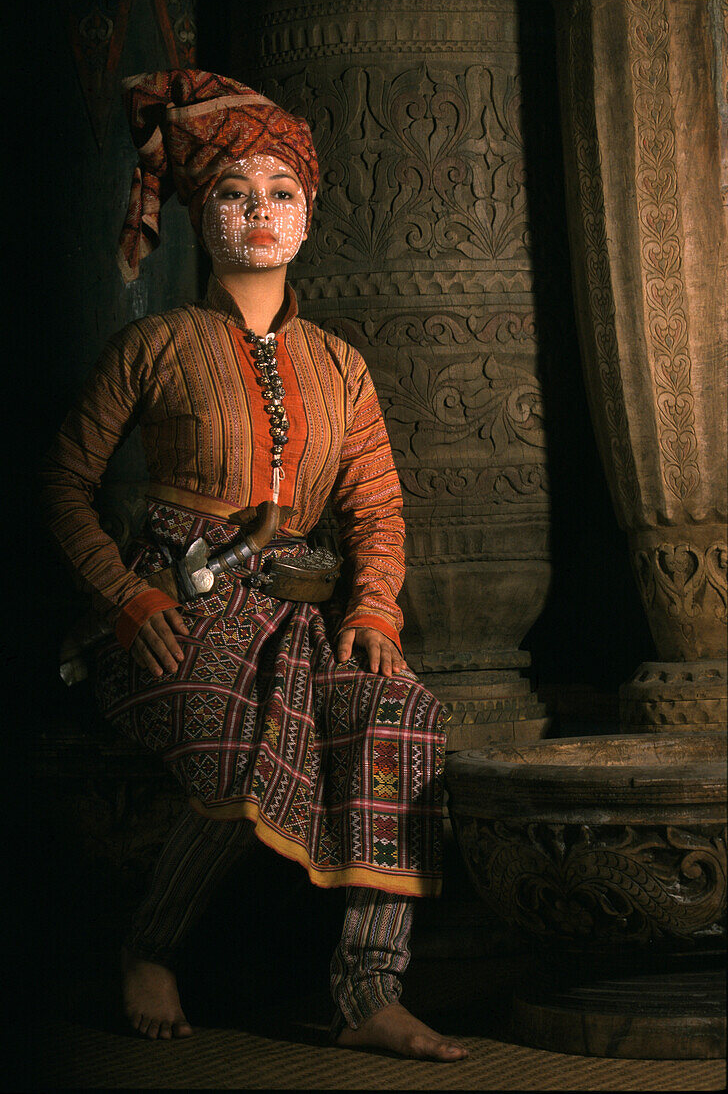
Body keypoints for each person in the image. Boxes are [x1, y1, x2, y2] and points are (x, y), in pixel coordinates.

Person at [41, 70, 467, 1062]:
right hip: (170, 606)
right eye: (235, 192)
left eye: (281, 193)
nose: (259, 211)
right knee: (237, 742)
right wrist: (127, 597)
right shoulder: (156, 342)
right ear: (200, 213)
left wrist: (371, 608)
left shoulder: (340, 363)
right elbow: (61, 483)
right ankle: (148, 945)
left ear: (308, 218)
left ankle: (367, 985)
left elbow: (376, 504)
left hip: (302, 621)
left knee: (398, 710)